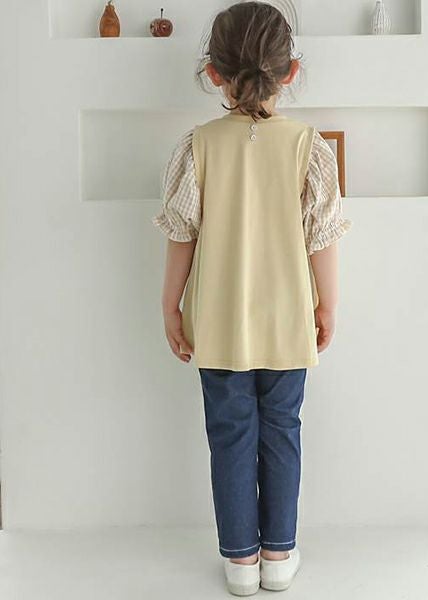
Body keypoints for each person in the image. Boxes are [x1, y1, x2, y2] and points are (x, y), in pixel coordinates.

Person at [152, 2, 352, 595]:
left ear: (213, 72)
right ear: (290, 71)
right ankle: (278, 554)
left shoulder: (197, 146)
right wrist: (327, 305)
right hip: (288, 319)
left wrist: (170, 305)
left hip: (217, 322)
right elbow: (322, 237)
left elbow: (182, 234)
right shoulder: (310, 147)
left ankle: (240, 561)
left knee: (230, 434)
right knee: (282, 429)